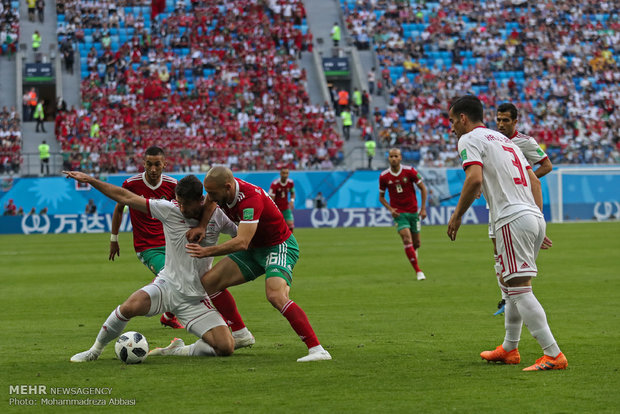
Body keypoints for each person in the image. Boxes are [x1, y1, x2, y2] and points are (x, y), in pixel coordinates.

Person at [446, 95, 567, 371]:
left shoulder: (469, 139)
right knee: (509, 285)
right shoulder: (503, 140)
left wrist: (457, 215)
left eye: (452, 121)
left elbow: (474, 178)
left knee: (520, 289)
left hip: (511, 218)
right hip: (530, 215)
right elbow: (534, 180)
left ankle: (553, 354)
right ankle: (510, 349)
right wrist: (537, 218)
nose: (452, 127)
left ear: (463, 118)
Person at [64, 172, 238, 362]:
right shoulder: (168, 209)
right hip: (167, 286)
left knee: (226, 347)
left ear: (200, 200)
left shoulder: (218, 217)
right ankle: (94, 351)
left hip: (195, 298)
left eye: (185, 204)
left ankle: (178, 350)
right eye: (178, 202)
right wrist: (90, 180)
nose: (180, 207)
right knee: (129, 307)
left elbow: (241, 236)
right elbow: (126, 197)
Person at [185, 167, 331, 362]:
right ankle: (240, 334)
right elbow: (212, 202)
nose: (208, 197)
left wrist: (207, 251)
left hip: (278, 247)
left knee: (275, 295)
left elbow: (242, 241)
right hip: (255, 248)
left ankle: (317, 349)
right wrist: (202, 226)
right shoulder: (222, 189)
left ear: (227, 187)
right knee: (210, 281)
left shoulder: (249, 200)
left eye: (212, 192)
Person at [109, 147, 183, 329]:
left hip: (171, 243)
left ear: (165, 164)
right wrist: (114, 238)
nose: (153, 169)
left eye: (157, 164)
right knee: (171, 275)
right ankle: (133, 307)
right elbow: (119, 209)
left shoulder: (173, 185)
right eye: (149, 164)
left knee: (187, 277)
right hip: (147, 246)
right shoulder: (131, 184)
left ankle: (168, 316)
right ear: (144, 164)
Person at [491, 102, 554, 315]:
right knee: (497, 252)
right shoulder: (491, 140)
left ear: (515, 121)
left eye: (505, 120)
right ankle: (505, 298)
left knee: (515, 261)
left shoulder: (525, 142)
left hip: (517, 205)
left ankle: (515, 298)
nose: (500, 124)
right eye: (498, 120)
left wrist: (526, 181)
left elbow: (547, 165)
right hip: (498, 203)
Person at [379, 148, 428, 281]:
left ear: (400, 158)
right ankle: (418, 271)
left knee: (416, 243)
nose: (393, 158)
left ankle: (413, 251)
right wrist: (390, 209)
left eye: (396, 156)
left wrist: (423, 209)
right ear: (388, 158)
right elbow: (381, 197)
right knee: (406, 238)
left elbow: (423, 188)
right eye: (391, 156)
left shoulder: (410, 171)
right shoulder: (384, 176)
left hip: (413, 212)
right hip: (399, 214)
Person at [269, 168, 295, 232]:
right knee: (275, 227)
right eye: (284, 173)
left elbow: (292, 193)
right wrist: (271, 209)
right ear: (280, 174)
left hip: (285, 207)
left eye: (287, 173)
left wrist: (292, 201)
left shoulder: (290, 183)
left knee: (290, 224)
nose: (285, 175)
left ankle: (288, 241)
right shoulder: (275, 184)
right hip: (276, 208)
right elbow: (271, 198)